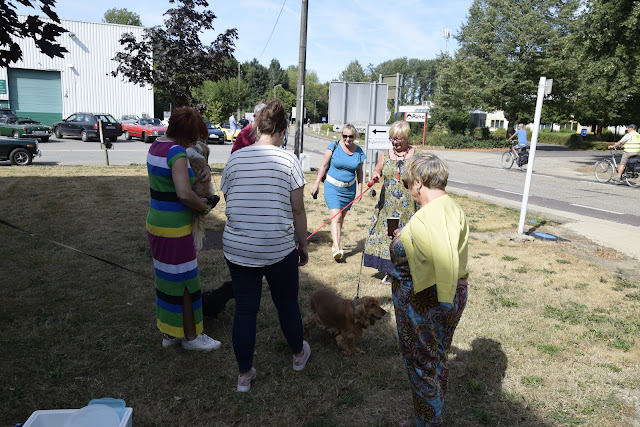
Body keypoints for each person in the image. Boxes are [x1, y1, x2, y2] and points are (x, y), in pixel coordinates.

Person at [221, 99, 311, 393]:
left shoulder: (235, 159)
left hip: (239, 248)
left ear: (257, 128)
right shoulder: (289, 161)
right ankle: (298, 353)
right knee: (286, 303)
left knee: (245, 311)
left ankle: (244, 375)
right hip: (278, 248)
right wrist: (303, 245)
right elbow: (298, 210)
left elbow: (229, 200)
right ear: (283, 131)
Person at [390, 152, 469, 426]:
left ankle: (427, 422)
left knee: (422, 367)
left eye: (408, 183)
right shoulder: (452, 207)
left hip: (427, 303)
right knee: (437, 361)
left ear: (419, 182)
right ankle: (424, 417)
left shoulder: (429, 217)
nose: (409, 190)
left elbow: (441, 258)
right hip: (447, 296)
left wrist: (402, 239)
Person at [146, 107, 221, 351]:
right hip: (175, 229)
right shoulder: (176, 152)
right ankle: (191, 336)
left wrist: (202, 172)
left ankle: (170, 333)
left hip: (157, 224)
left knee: (167, 281)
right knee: (186, 282)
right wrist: (203, 207)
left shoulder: (156, 146)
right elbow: (184, 194)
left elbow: (170, 183)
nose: (194, 142)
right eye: (192, 137)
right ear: (182, 133)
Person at [364, 121, 418, 285]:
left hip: (409, 204)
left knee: (409, 237)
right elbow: (377, 170)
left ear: (406, 137)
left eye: (398, 139)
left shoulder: (417, 155)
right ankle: (390, 271)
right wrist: (375, 175)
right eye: (392, 139)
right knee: (389, 235)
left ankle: (410, 270)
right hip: (388, 204)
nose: (395, 142)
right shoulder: (385, 155)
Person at [309, 124, 366, 261]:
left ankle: (336, 244)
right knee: (336, 217)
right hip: (332, 187)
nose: (347, 139)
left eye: (350, 136)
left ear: (355, 137)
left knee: (341, 218)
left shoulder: (359, 152)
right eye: (344, 136)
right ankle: (336, 247)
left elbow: (359, 172)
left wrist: (360, 190)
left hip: (349, 189)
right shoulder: (334, 146)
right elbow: (323, 165)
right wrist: (316, 183)